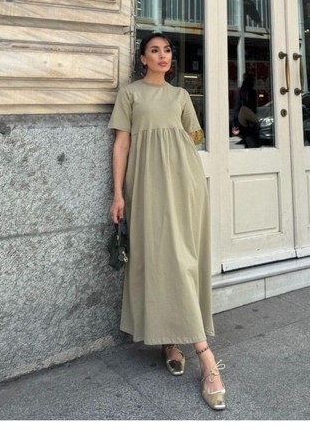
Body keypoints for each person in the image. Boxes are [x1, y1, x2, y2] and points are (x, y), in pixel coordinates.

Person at [108, 31, 226, 411]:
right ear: (142, 59)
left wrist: (179, 140)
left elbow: (195, 136)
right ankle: (171, 342)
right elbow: (121, 143)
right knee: (160, 261)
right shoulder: (130, 94)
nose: (163, 55)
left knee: (182, 259)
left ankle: (204, 357)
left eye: (167, 50)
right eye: (154, 50)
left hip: (183, 183)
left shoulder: (181, 96)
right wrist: (117, 194)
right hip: (145, 187)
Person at [232, 74, 261, 148]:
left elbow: (237, 108)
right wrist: (235, 124)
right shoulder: (242, 92)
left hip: (247, 121)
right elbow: (237, 107)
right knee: (250, 140)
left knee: (250, 140)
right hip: (245, 119)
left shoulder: (250, 92)